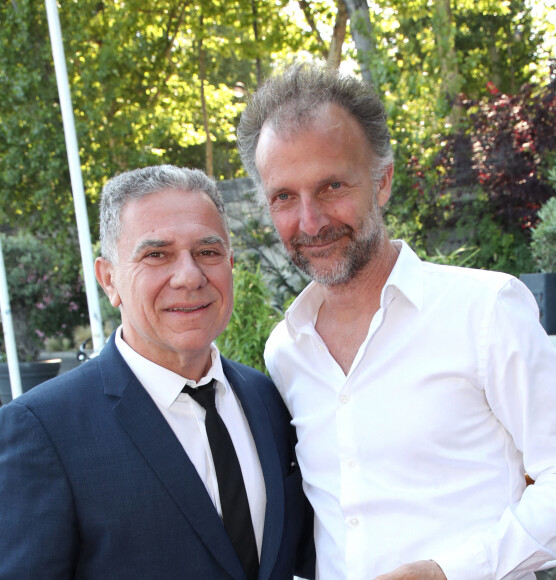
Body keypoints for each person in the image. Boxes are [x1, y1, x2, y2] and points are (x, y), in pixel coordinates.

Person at [237, 63, 556, 580]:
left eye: (332, 185)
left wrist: (447, 572)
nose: (310, 221)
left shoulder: (486, 311)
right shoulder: (285, 351)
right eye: (285, 197)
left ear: (382, 181)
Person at [0, 165, 314, 580]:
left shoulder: (267, 399)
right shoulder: (42, 431)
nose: (190, 276)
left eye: (208, 252)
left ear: (230, 262)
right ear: (109, 279)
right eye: (157, 254)